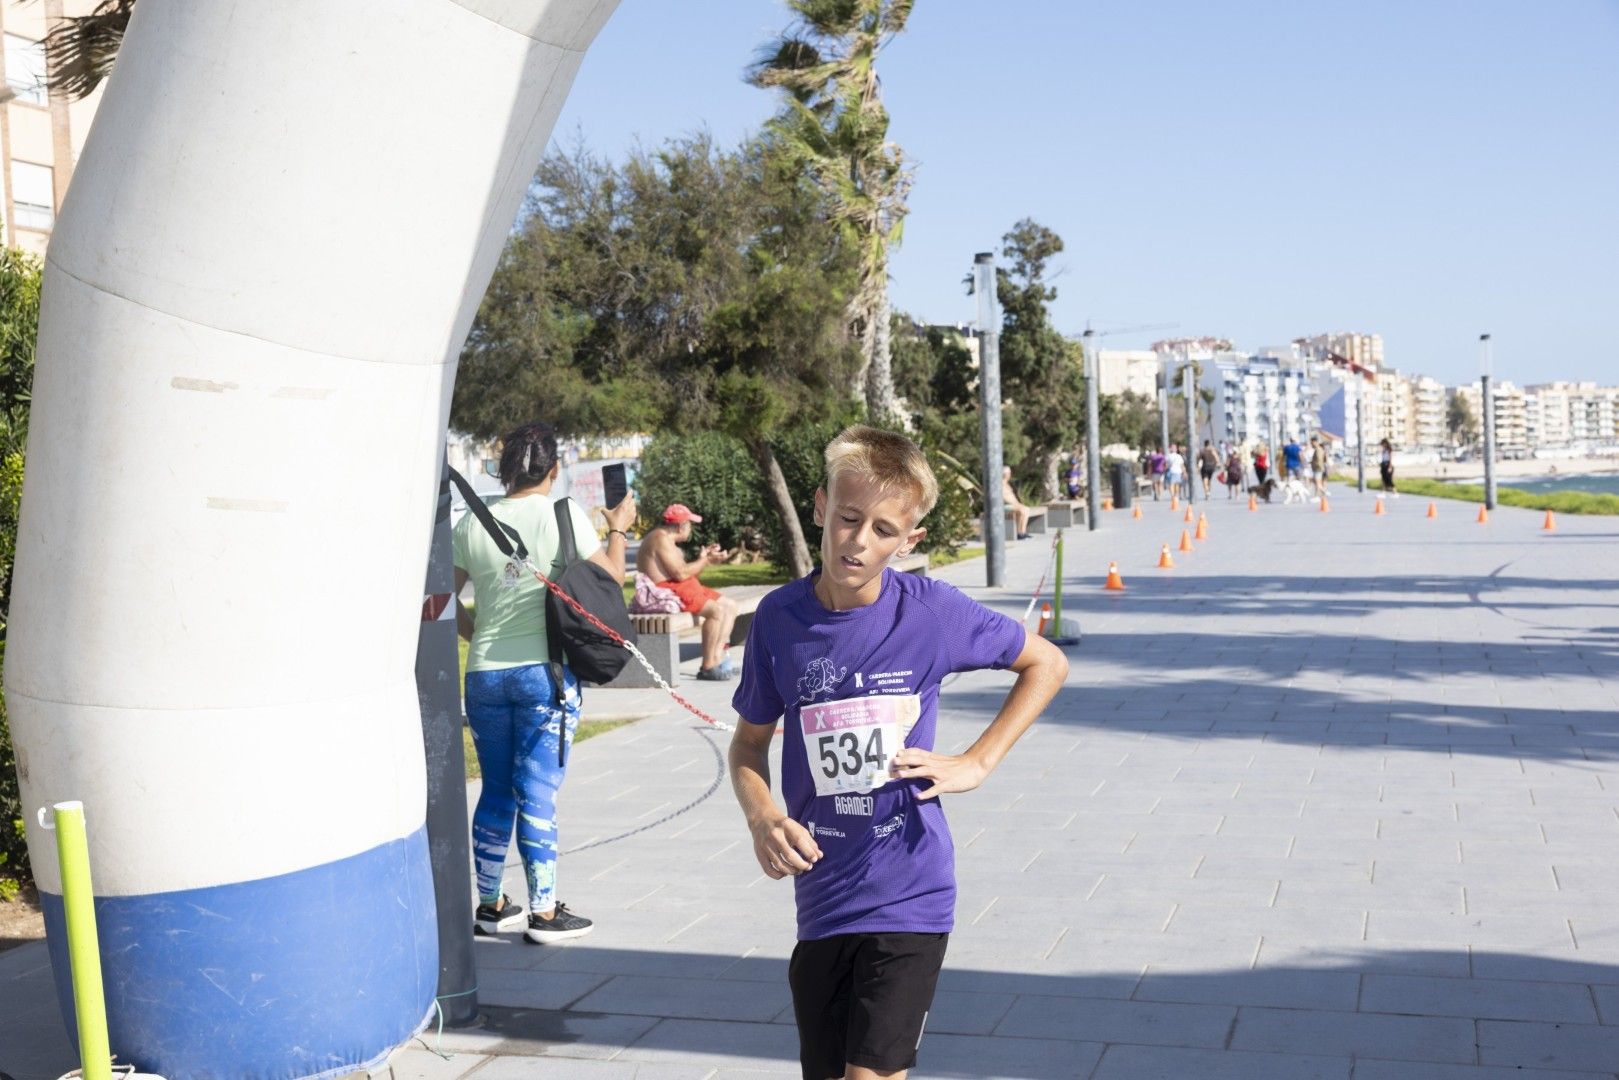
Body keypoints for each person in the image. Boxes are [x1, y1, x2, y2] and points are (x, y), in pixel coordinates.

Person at [728, 424, 1068, 1080]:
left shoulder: (930, 613)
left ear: (908, 541)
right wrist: (762, 816)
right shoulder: (777, 619)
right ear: (821, 506)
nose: (858, 541)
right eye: (848, 517)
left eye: (883, 530)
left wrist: (977, 761)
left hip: (909, 887)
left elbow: (1044, 663)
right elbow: (747, 743)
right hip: (822, 891)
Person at [453, 421, 635, 943]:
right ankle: (545, 913)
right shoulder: (564, 513)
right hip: (546, 675)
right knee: (536, 791)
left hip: (485, 674)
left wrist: (479, 634)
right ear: (554, 470)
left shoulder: (470, 523)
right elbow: (608, 580)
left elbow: (443, 601)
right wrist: (619, 527)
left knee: (493, 790)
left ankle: (490, 905)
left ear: (502, 469)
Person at [638, 503, 740, 680]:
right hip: (666, 589)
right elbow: (679, 574)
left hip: (680, 584)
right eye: (690, 524)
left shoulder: (667, 540)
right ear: (681, 526)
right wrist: (706, 560)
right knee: (716, 612)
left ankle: (716, 658)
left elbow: (684, 572)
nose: (691, 529)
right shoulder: (660, 538)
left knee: (730, 606)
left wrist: (704, 559)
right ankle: (708, 667)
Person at [1000, 465, 1032, 539]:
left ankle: (1022, 532)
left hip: (1012, 505)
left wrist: (1018, 504)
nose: (1010, 475)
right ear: (1005, 474)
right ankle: (1019, 533)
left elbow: (1012, 497)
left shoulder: (1007, 484)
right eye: (1009, 473)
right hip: (1004, 506)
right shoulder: (1000, 484)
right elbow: (1004, 498)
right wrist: (1016, 505)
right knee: (1022, 509)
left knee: (1026, 509)